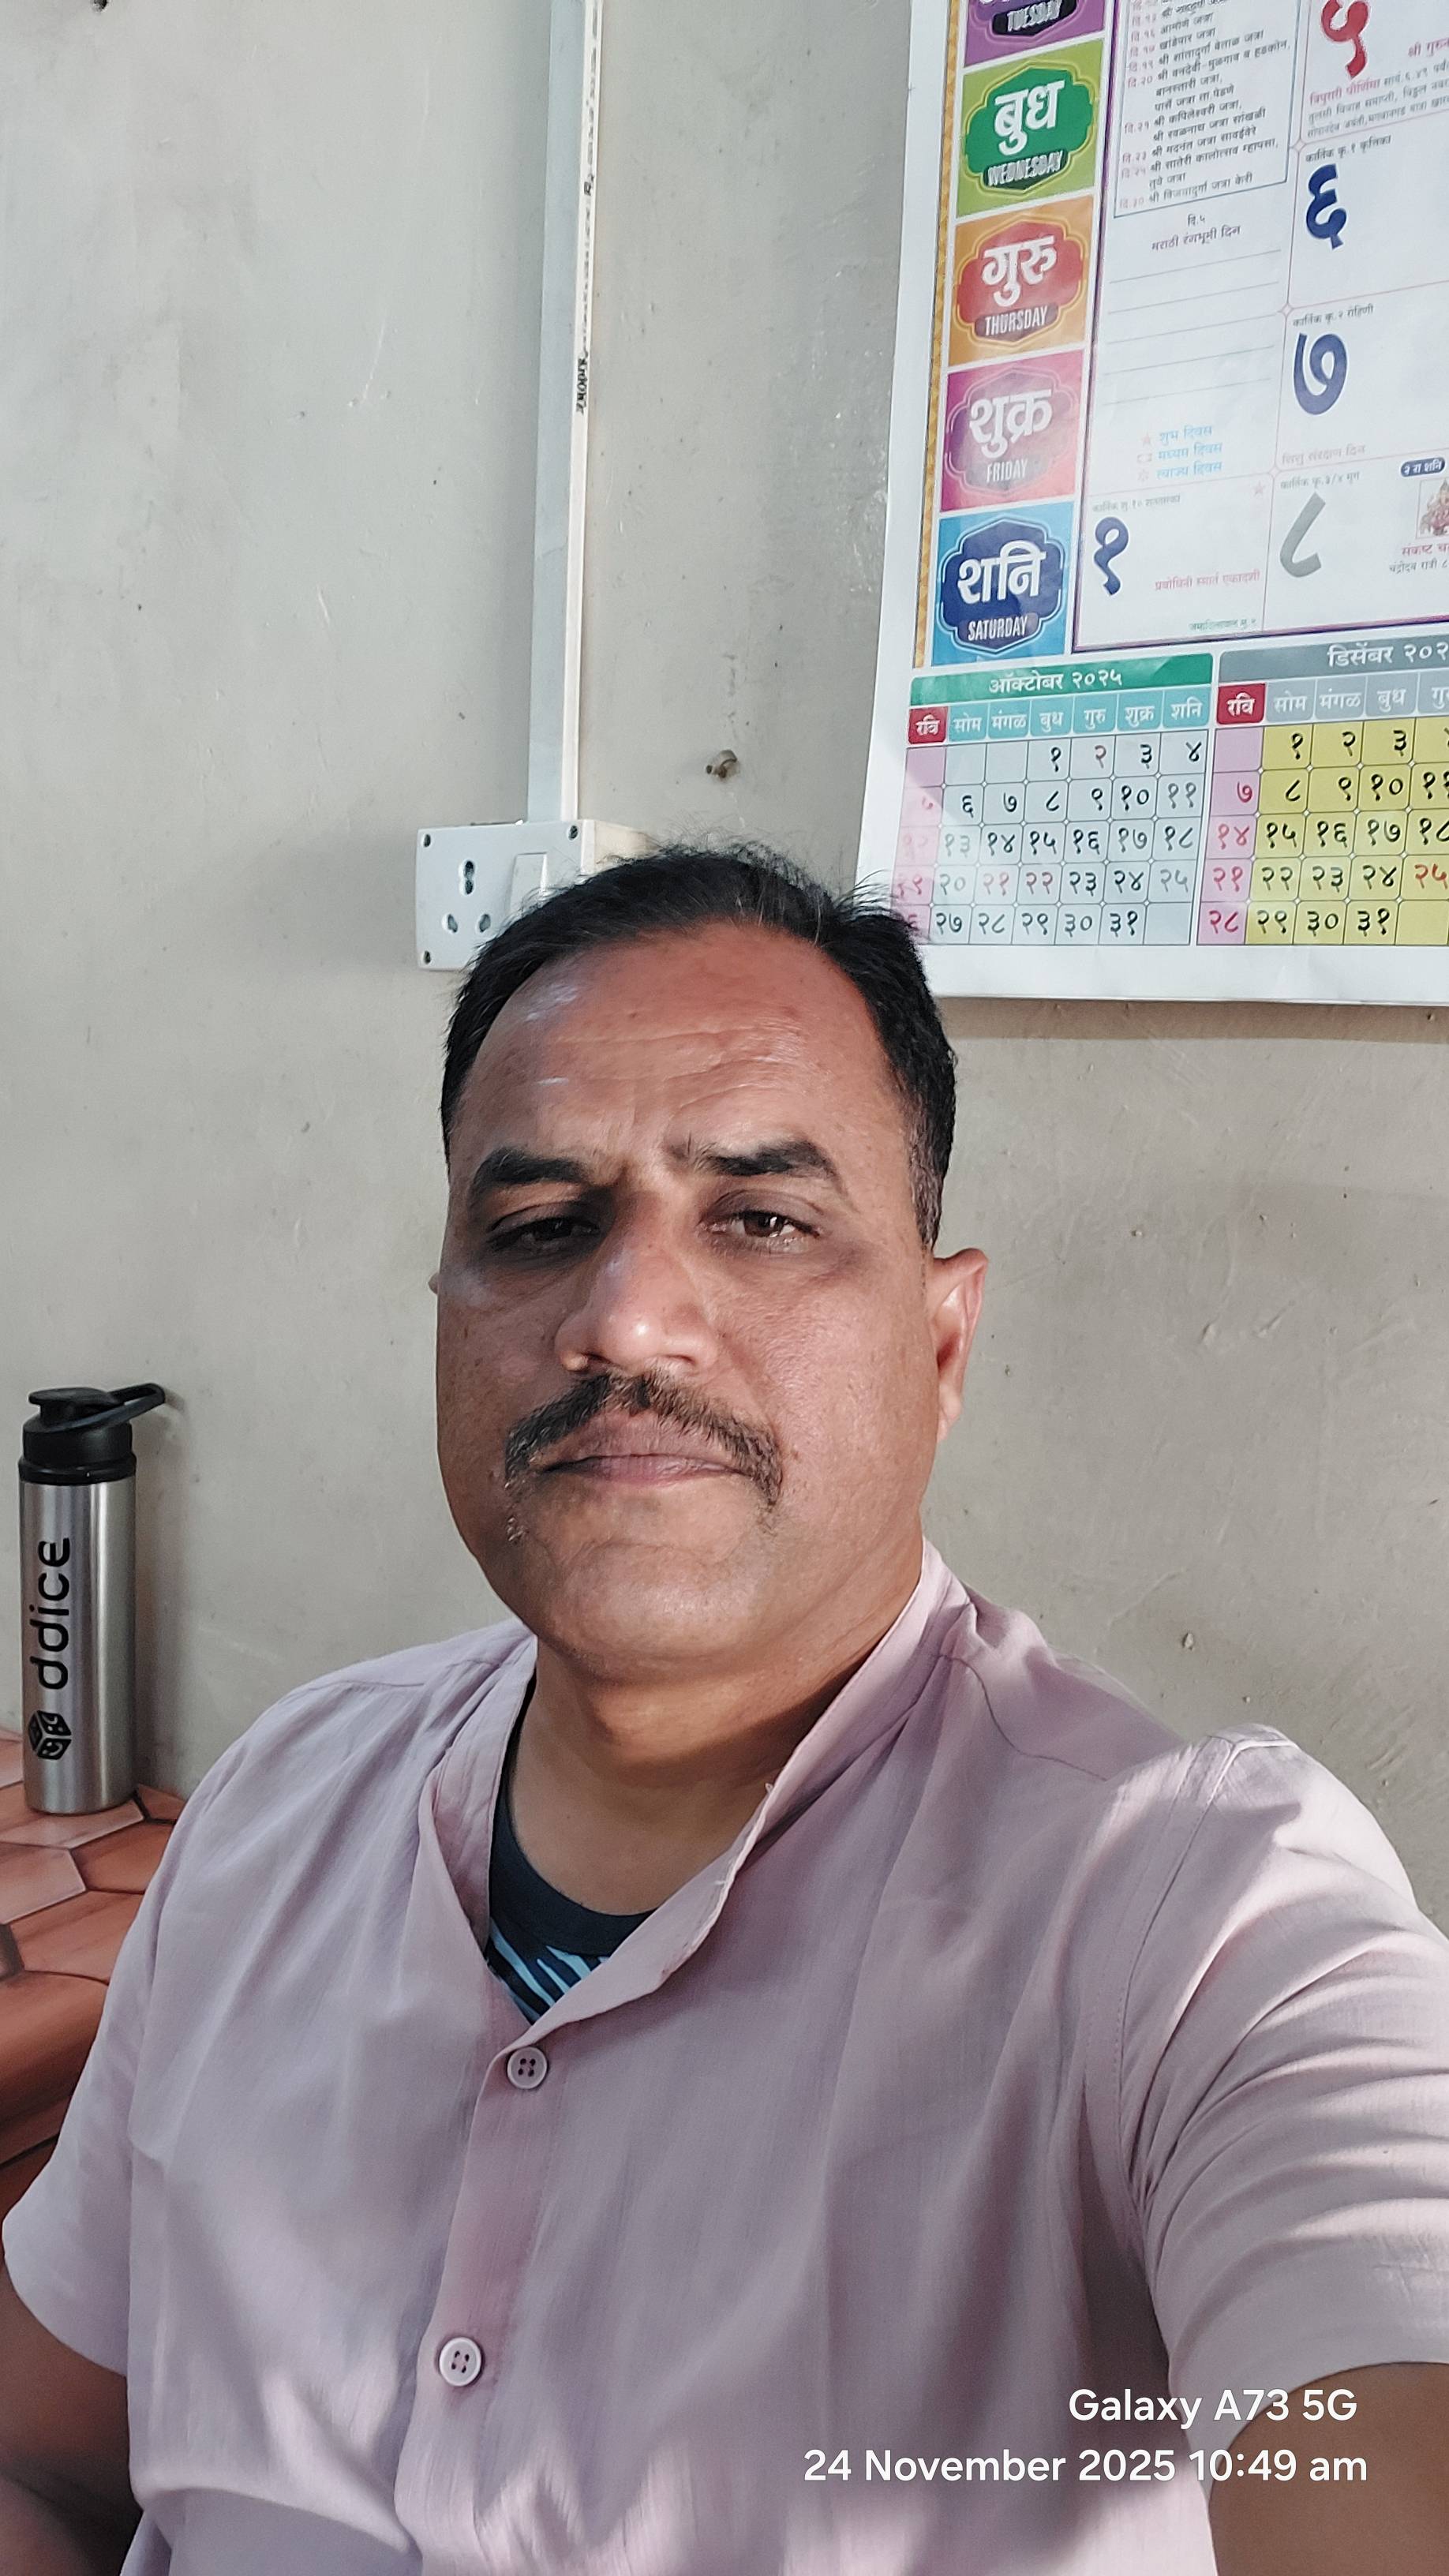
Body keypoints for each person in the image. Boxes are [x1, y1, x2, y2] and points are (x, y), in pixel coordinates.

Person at [1, 844, 1447, 2576]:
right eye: (539, 1228)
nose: (624, 1321)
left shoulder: (1194, 1924)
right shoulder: (277, 1808)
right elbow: (42, 2464)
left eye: (762, 1219)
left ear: (942, 1342)